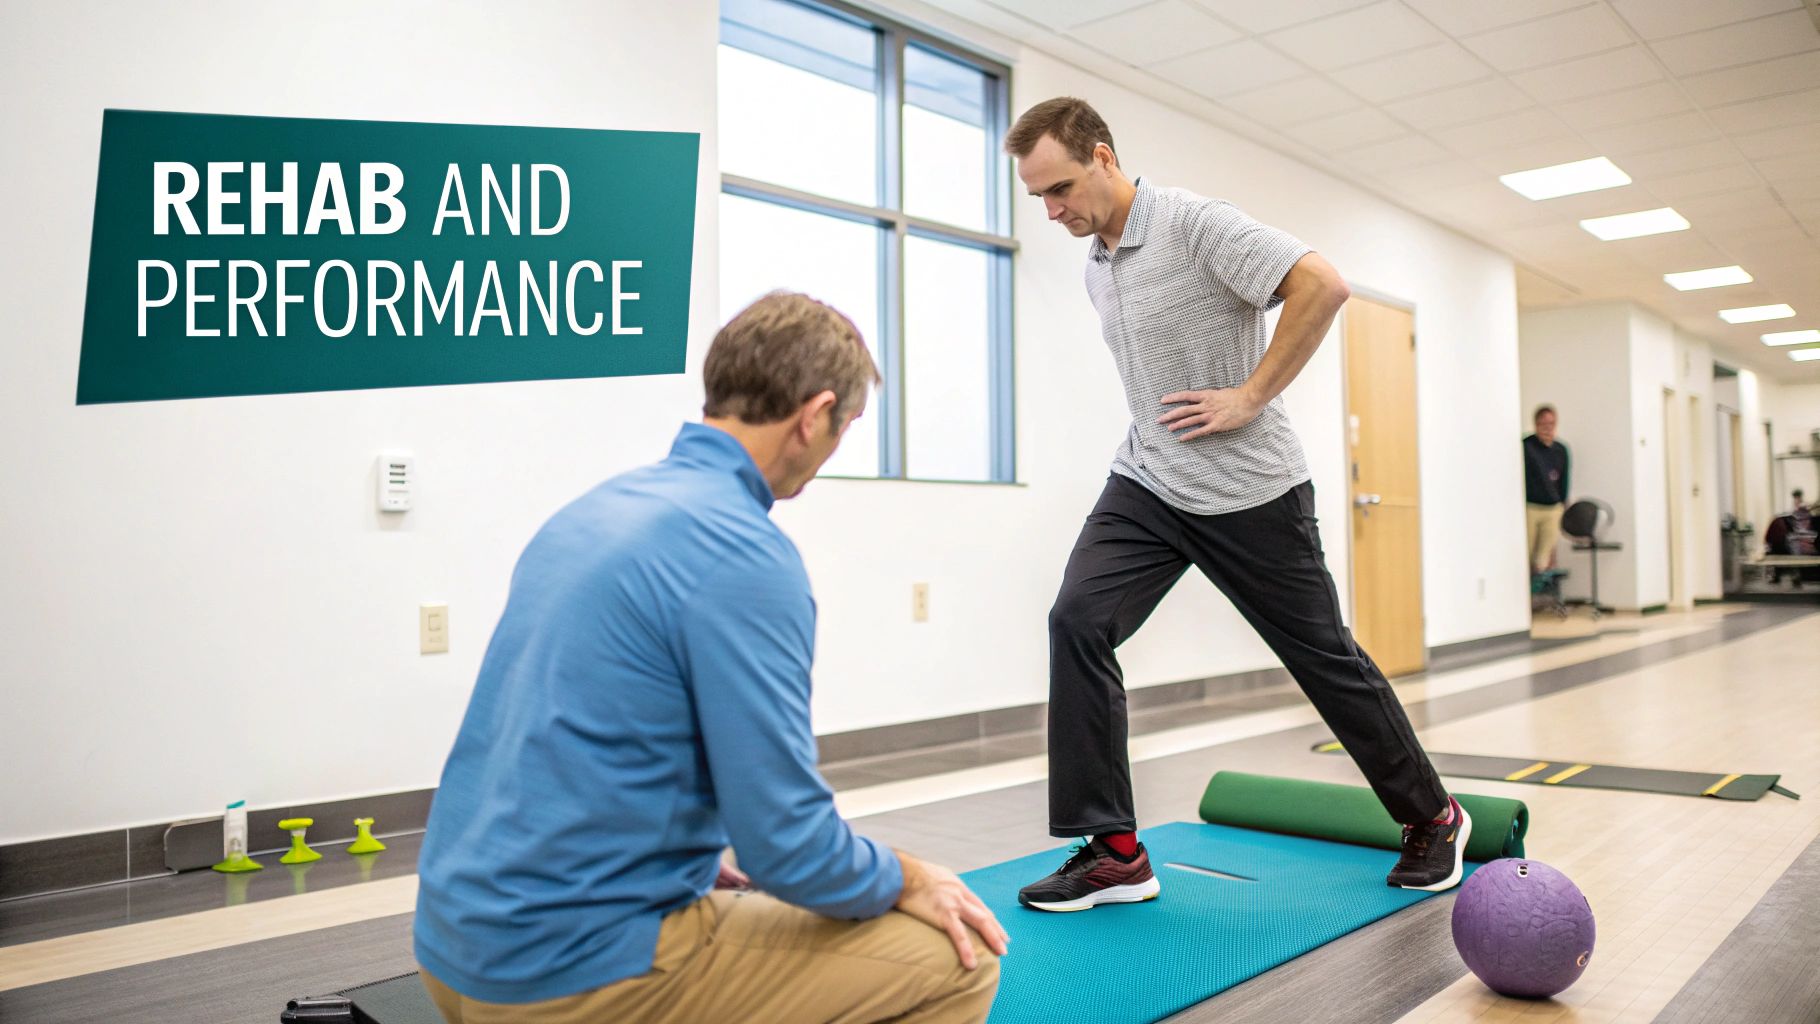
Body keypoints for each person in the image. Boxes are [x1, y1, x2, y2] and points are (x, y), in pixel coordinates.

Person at [413, 292, 1007, 1024]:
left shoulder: (592, 511)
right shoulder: (744, 556)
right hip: (570, 974)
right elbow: (788, 848)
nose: (828, 455)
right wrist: (913, 878)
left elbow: (563, 739)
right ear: (814, 415)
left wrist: (684, 858)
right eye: (843, 430)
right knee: (954, 963)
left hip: (452, 946)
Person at [1000, 97, 1467, 912]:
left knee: (1324, 659)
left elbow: (1322, 284)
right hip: (1148, 481)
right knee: (1077, 621)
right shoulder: (1097, 264)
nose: (1052, 210)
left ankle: (1434, 815)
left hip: (1250, 488)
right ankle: (1114, 852)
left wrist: (1250, 395)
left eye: (1062, 188)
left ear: (1104, 157)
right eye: (1039, 196)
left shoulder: (1193, 224)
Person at [1523, 406, 1571, 576]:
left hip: (1552, 508)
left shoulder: (1561, 450)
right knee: (1525, 550)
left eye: (1551, 424)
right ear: (1536, 424)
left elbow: (1564, 479)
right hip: (1531, 506)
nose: (1547, 428)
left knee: (1543, 555)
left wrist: (1563, 503)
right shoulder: (1526, 447)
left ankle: (1539, 584)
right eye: (1543, 423)